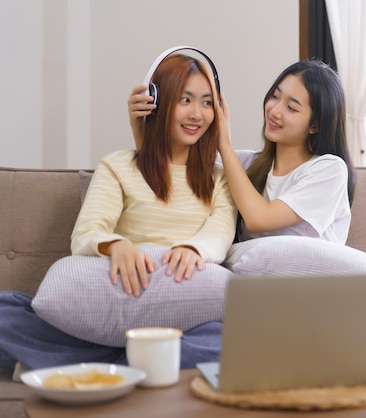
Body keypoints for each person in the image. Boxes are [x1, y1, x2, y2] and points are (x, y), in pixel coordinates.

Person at [0, 52, 235, 374]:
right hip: (113, 298)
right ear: (157, 101)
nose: (197, 114)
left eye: (208, 103)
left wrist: (194, 248)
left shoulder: (219, 178)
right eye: (185, 99)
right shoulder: (118, 165)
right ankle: (137, 363)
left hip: (181, 312)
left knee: (225, 339)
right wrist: (117, 245)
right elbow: (88, 230)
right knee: (6, 308)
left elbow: (221, 231)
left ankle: (64, 359)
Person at [128, 60, 355, 244]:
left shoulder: (329, 169)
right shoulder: (245, 164)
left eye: (291, 107)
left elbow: (259, 218)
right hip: (253, 288)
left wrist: (224, 144)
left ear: (315, 125)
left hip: (312, 288)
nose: (274, 110)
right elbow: (168, 176)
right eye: (275, 96)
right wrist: (141, 127)